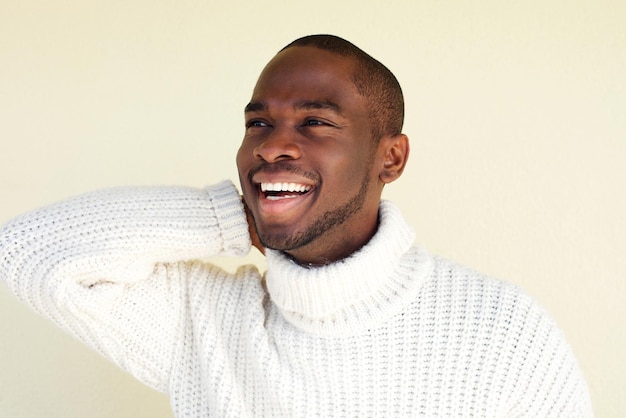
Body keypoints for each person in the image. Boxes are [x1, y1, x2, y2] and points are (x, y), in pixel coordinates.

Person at [0, 35, 592, 417]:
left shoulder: (501, 332)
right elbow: (26, 252)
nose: (273, 146)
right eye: (258, 124)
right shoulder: (202, 320)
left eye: (315, 122)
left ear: (391, 158)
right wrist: (230, 218)